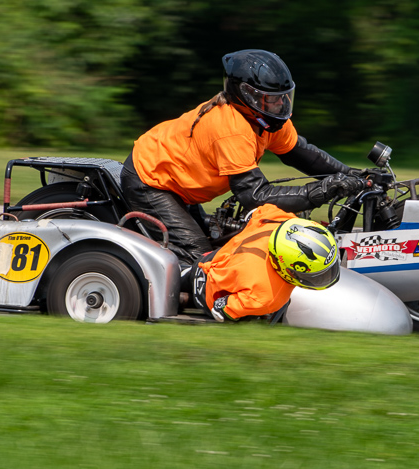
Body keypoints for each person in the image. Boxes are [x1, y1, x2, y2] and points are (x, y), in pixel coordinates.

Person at [120, 48, 365, 282]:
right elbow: (255, 195)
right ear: (248, 96)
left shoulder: (267, 122)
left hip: (178, 182)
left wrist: (353, 176)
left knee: (221, 241)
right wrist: (322, 191)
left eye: (283, 98)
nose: (280, 105)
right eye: (272, 99)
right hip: (151, 180)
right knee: (201, 258)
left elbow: (301, 154)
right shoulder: (232, 129)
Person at [190, 203, 340, 322]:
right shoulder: (268, 297)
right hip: (206, 287)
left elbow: (257, 211)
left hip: (214, 256)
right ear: (286, 269)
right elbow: (219, 309)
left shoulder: (279, 218)